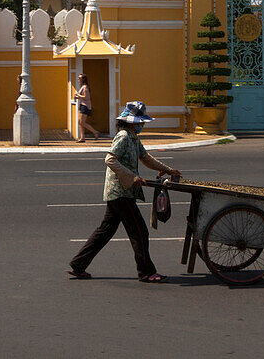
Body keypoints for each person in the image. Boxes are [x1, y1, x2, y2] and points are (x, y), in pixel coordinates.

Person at [68, 101, 181, 283]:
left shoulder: (133, 137)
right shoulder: (123, 137)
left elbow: (146, 158)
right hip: (120, 192)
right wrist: (132, 177)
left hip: (122, 192)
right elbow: (109, 159)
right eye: (140, 122)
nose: (142, 125)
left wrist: (168, 169)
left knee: (105, 231)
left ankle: (78, 264)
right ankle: (146, 272)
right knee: (139, 231)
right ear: (131, 122)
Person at [74, 73, 98, 143]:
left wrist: (77, 95)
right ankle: (82, 137)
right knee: (79, 122)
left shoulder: (85, 87)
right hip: (82, 105)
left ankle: (95, 132)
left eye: (80, 78)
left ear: (83, 79)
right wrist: (77, 96)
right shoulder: (82, 87)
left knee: (82, 122)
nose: (78, 79)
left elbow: (85, 97)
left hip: (85, 106)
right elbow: (82, 97)